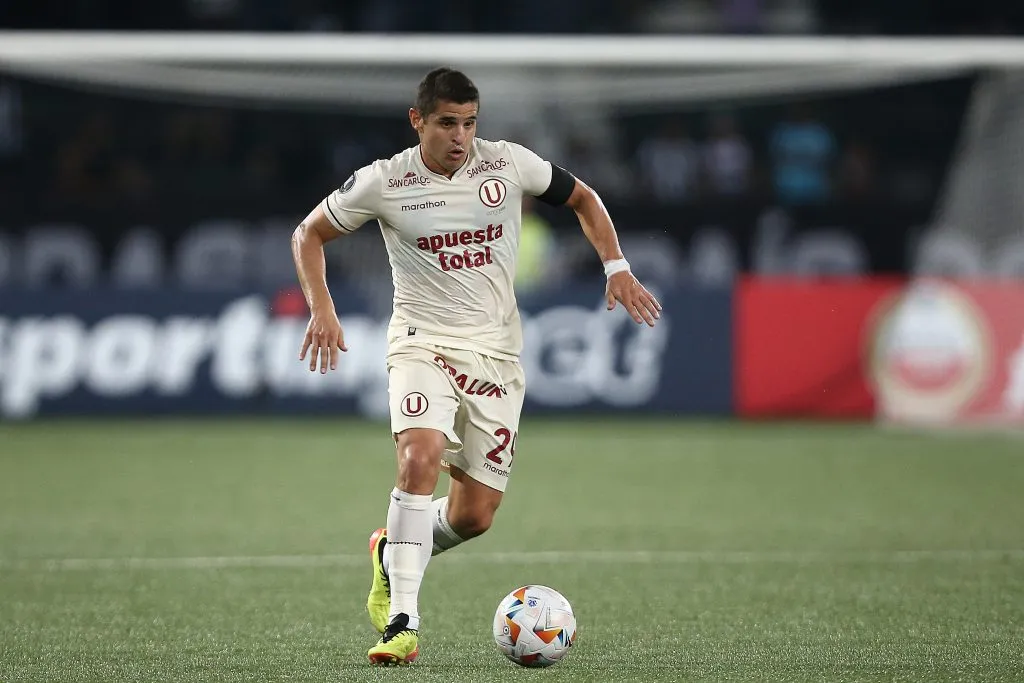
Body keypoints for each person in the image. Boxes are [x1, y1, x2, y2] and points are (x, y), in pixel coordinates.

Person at [290, 67, 662, 666]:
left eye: (469, 123)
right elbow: (307, 234)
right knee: (420, 455)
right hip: (421, 342)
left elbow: (584, 199)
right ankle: (402, 623)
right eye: (446, 123)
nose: (461, 137)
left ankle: (392, 551)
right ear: (418, 122)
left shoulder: (508, 163)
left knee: (475, 516)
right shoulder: (384, 181)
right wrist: (322, 308)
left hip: (496, 354)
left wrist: (615, 266)